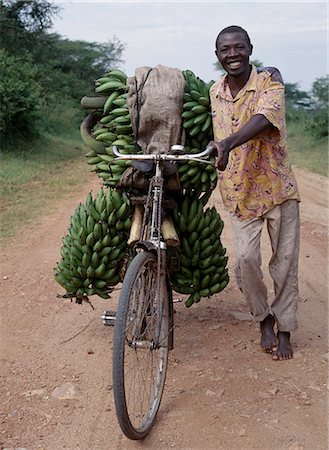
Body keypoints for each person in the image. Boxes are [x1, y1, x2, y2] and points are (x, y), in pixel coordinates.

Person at [208, 25, 300, 360]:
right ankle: (263, 317)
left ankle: (285, 329)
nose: (232, 54)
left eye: (238, 47)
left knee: (285, 263)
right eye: (225, 50)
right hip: (239, 191)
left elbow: (264, 118)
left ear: (250, 48)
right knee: (246, 260)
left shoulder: (269, 81)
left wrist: (228, 143)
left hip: (277, 188)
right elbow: (212, 131)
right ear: (217, 55)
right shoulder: (213, 92)